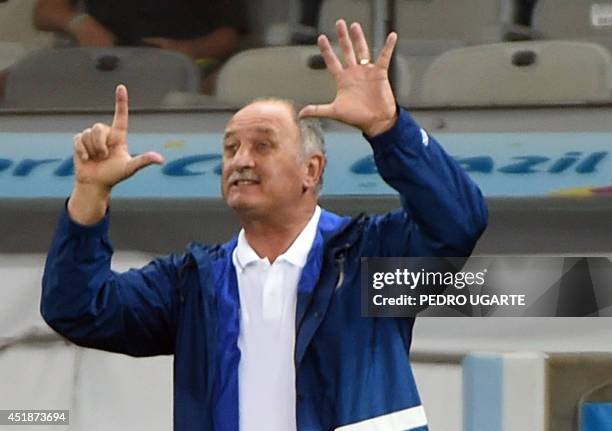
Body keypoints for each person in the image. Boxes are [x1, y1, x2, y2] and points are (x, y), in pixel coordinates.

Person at [41, 20, 487, 431]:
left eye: (262, 145)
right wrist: (90, 194)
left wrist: (390, 130)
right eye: (230, 147)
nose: (241, 160)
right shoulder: (192, 282)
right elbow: (78, 309)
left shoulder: (369, 260)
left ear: (311, 171)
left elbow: (458, 222)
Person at [32, 0, 246, 60]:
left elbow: (230, 35)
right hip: (100, 61)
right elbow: (45, 13)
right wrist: (80, 24)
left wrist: (189, 50)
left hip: (183, 69)